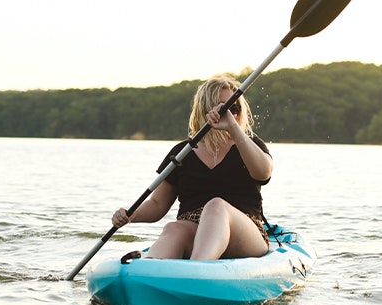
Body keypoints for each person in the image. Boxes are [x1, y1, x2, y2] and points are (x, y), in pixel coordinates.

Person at [111, 74, 273, 260]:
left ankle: (197, 269)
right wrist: (130, 215)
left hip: (244, 233)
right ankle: (147, 272)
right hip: (193, 229)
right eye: (224, 108)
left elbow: (263, 173)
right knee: (174, 228)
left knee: (215, 206)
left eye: (234, 108)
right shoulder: (182, 152)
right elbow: (157, 204)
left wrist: (233, 129)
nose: (230, 113)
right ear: (206, 109)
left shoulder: (249, 143)